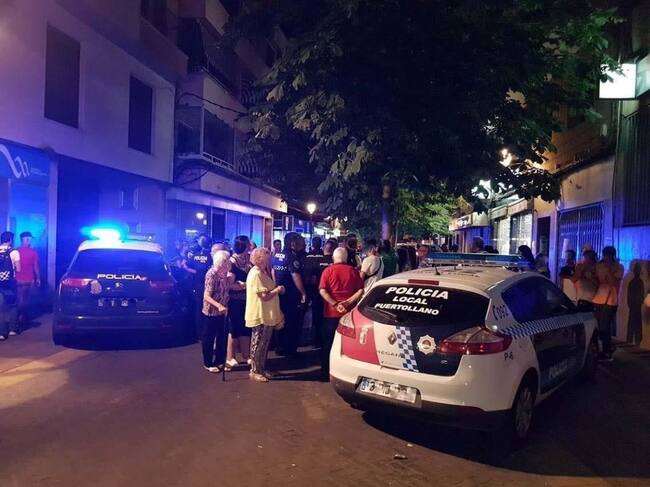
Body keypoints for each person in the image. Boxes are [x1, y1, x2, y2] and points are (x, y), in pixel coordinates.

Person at [319, 247, 364, 379]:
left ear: (334, 258)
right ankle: (344, 372)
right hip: (348, 314)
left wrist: (335, 304)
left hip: (331, 313)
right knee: (346, 344)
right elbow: (360, 290)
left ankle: (326, 371)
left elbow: (322, 290)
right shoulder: (353, 271)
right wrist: (348, 303)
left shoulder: (328, 271)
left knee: (328, 343)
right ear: (346, 258)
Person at [246, 248, 285, 382]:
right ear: (261, 259)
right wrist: (277, 290)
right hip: (260, 314)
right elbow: (264, 296)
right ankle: (255, 370)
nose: (270, 260)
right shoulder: (256, 274)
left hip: (267, 313)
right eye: (268, 257)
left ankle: (261, 368)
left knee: (264, 344)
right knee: (258, 344)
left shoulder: (262, 272)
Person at [272, 232, 308, 357]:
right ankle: (290, 349)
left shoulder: (277, 255)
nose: (301, 245)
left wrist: (276, 285)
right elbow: (295, 275)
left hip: (280, 292)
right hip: (291, 294)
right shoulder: (292, 257)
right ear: (293, 244)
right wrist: (303, 293)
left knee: (280, 319)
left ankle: (279, 346)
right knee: (292, 321)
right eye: (299, 242)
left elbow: (273, 271)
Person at [200, 250, 235, 373]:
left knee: (222, 337)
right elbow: (206, 295)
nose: (227, 266)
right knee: (209, 337)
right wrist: (218, 305)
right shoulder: (211, 274)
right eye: (225, 264)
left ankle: (220, 361)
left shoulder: (225, 274)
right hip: (211, 311)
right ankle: (208, 363)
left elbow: (228, 286)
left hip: (223, 311)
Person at [225, 236, 252, 371]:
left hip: (247, 300)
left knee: (246, 327)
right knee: (234, 329)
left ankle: (246, 355)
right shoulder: (232, 262)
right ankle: (230, 357)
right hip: (234, 300)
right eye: (248, 244)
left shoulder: (248, 259)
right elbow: (228, 284)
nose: (250, 246)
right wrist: (245, 286)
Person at [593, 246, 624, 361]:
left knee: (604, 326)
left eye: (608, 255)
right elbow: (597, 280)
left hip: (611, 300)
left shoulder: (619, 267)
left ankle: (607, 350)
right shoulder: (600, 266)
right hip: (598, 298)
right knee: (598, 326)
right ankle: (607, 347)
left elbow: (613, 281)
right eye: (605, 254)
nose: (606, 257)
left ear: (612, 255)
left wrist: (609, 269)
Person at [303, 238, 336, 348]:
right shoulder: (334, 262)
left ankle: (317, 341)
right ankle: (328, 341)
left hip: (318, 292)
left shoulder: (316, 260)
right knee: (329, 318)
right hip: (332, 294)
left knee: (317, 317)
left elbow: (311, 278)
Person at [186, 235, 213, 335]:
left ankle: (199, 333)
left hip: (197, 284)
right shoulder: (211, 255)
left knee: (198, 308)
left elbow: (187, 266)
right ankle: (207, 331)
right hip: (210, 285)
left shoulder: (194, 255)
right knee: (208, 308)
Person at [15, 231, 40, 327]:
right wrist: (38, 278)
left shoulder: (15, 251)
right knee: (25, 300)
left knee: (19, 299)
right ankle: (23, 319)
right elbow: (35, 266)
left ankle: (17, 319)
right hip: (28, 280)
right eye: (29, 239)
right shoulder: (33, 252)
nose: (30, 240)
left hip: (17, 279)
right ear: (26, 239)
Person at [0, 231, 20, 340]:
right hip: (10, 282)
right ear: (10, 240)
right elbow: (19, 268)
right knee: (13, 304)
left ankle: (1, 333)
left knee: (0, 307)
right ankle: (12, 329)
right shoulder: (14, 252)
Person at [627, 261, 644, 346]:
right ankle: (634, 340)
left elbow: (630, 296)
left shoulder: (633, 282)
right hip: (635, 306)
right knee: (636, 325)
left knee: (633, 324)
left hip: (634, 306)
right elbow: (640, 295)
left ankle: (632, 340)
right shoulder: (638, 282)